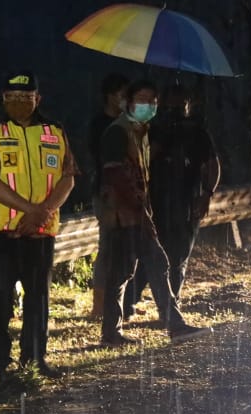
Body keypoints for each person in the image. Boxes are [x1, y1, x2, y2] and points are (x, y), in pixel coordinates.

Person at [0, 71, 79, 383]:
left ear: (38, 99)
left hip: (40, 230)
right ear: (3, 100)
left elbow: (68, 176)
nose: (19, 103)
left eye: (26, 97)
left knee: (39, 299)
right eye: (12, 98)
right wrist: (30, 210)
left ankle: (35, 358)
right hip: (2, 231)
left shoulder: (55, 131)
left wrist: (42, 212)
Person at [97, 79, 210, 346]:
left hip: (133, 213)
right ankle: (173, 326)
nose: (147, 106)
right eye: (142, 100)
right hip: (124, 214)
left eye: (152, 101)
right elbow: (115, 175)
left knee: (127, 271)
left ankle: (114, 333)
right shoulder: (119, 132)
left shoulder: (140, 132)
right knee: (148, 265)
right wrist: (138, 209)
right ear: (128, 102)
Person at [127, 83, 222, 309]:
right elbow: (140, 162)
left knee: (178, 254)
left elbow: (212, 164)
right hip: (155, 201)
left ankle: (171, 305)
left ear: (189, 106)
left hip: (186, 203)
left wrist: (207, 193)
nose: (177, 109)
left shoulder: (197, 132)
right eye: (171, 105)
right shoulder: (152, 129)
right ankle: (130, 301)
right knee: (146, 252)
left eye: (181, 105)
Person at [88, 73, 129, 318]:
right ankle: (99, 305)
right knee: (107, 249)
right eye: (122, 95)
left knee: (125, 250)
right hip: (106, 192)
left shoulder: (130, 122)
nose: (125, 100)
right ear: (110, 96)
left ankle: (121, 304)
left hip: (129, 193)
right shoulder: (99, 125)